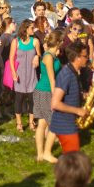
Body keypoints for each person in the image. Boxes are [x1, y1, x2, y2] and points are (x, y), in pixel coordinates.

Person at [50, 41, 88, 153]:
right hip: (65, 125)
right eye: (85, 56)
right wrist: (78, 110)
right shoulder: (66, 74)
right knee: (72, 161)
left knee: (69, 161)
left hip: (69, 123)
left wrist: (82, 95)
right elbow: (55, 103)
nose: (88, 58)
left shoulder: (74, 72)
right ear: (77, 58)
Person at [34, 31, 62, 163]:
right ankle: (45, 153)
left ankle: (41, 154)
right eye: (61, 41)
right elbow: (52, 79)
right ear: (58, 42)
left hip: (43, 90)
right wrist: (56, 97)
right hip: (45, 91)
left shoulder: (52, 55)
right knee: (54, 123)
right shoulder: (49, 57)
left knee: (42, 123)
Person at [9, 19, 40, 132]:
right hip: (20, 74)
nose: (34, 29)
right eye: (32, 28)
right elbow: (11, 58)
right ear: (25, 29)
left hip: (32, 74)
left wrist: (37, 56)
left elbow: (39, 53)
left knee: (32, 99)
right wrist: (13, 72)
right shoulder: (16, 42)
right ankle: (19, 123)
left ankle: (31, 122)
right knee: (19, 98)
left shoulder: (35, 41)